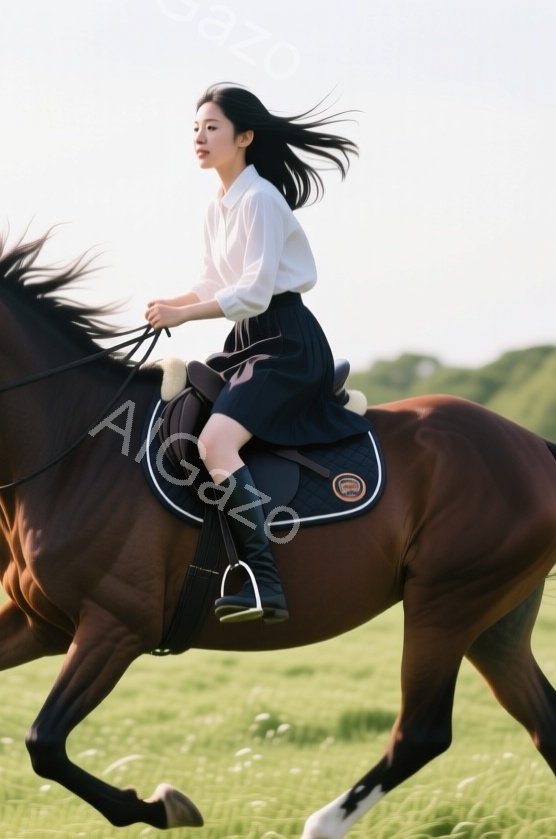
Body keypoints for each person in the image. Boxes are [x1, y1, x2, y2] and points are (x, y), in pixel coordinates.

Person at [145, 82, 374, 625]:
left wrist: (183, 317)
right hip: (247, 342)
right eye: (195, 129)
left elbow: (251, 292)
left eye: (212, 128)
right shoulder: (218, 205)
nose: (200, 138)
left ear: (244, 137)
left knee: (216, 441)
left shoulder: (262, 199)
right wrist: (169, 305)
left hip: (288, 343)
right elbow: (211, 283)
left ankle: (263, 581)